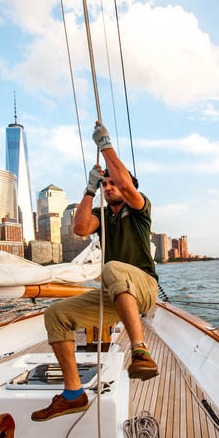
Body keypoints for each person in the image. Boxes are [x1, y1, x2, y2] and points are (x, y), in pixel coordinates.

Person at [31, 122, 159, 422]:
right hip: (115, 293)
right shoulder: (101, 215)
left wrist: (105, 144)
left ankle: (139, 350)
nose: (109, 187)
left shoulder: (138, 208)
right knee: (55, 315)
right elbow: (78, 228)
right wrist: (89, 188)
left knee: (111, 268)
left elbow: (126, 185)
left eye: (112, 183)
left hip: (143, 288)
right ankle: (74, 395)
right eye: (105, 184)